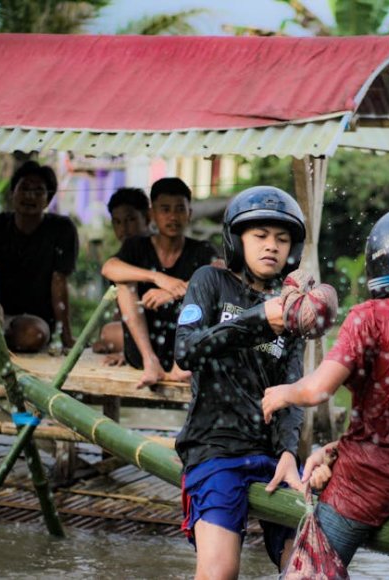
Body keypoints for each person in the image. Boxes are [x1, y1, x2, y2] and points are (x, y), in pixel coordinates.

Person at [262, 206, 389, 580]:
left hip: (362, 487)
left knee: (307, 573)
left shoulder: (370, 316)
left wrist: (283, 393)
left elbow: (318, 390)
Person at [173, 186, 308, 579]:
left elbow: (291, 389)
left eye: (282, 239)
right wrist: (258, 321)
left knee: (305, 568)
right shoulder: (210, 281)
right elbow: (186, 350)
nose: (272, 246)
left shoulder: (290, 307)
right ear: (236, 240)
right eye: (260, 236)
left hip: (272, 458)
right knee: (220, 571)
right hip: (215, 451)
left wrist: (288, 453)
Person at [101, 177, 218, 387]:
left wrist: (174, 292)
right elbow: (109, 268)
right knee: (124, 284)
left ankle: (180, 364)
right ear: (152, 215)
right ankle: (151, 363)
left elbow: (223, 271)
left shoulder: (201, 250)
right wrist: (158, 277)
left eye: (180, 209)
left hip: (185, 351)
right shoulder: (137, 246)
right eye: (165, 209)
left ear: (189, 214)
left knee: (211, 286)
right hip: (146, 348)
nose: (173, 216)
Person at [0, 161, 79, 352]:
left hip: (32, 322)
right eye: (24, 188)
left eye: (38, 191)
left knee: (33, 335)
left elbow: (59, 282)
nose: (30, 196)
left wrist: (66, 336)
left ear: (48, 199)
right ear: (13, 192)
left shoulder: (61, 229)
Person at [92, 187, 151, 358]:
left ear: (147, 218)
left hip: (165, 326)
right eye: (117, 222)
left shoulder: (157, 248)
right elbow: (123, 308)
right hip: (139, 327)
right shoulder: (120, 260)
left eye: (130, 219)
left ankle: (132, 350)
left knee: (109, 334)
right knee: (108, 332)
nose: (123, 228)